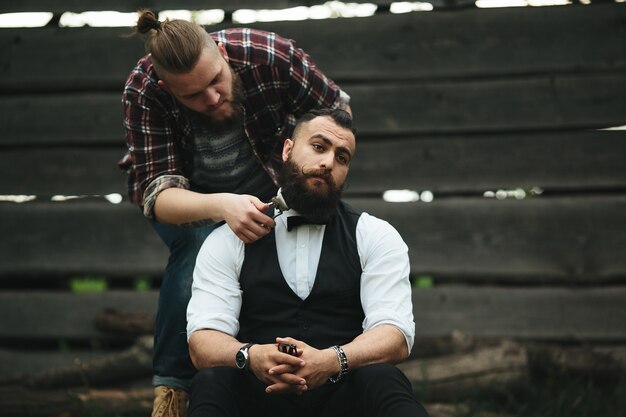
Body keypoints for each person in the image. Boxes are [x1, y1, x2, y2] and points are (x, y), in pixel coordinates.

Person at [118, 10, 351, 417]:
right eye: (191, 95)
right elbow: (159, 197)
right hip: (191, 202)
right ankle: (174, 390)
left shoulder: (270, 55)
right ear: (165, 86)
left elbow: (337, 114)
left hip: (274, 188)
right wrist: (222, 207)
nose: (210, 98)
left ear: (223, 53)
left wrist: (305, 171)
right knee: (199, 248)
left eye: (215, 81)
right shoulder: (143, 91)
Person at [186, 108, 429, 417]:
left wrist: (332, 361)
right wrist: (251, 355)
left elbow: (394, 334)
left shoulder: (375, 235)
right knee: (212, 382)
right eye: (318, 146)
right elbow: (202, 340)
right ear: (287, 150)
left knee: (383, 379)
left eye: (342, 158)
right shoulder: (229, 238)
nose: (328, 162)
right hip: (259, 400)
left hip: (342, 401)